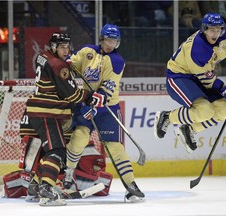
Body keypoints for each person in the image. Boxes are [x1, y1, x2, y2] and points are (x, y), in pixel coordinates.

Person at [154, 13, 226, 153]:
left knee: (224, 107)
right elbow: (207, 80)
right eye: (212, 30)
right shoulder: (198, 49)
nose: (216, 33)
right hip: (179, 76)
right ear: (204, 29)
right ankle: (167, 117)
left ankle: (189, 129)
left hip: (200, 76)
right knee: (205, 110)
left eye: (218, 30)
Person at [19, 33, 106, 206]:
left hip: (36, 113)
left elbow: (58, 82)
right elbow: (72, 94)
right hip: (46, 113)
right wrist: (89, 96)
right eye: (62, 47)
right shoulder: (58, 64)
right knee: (57, 152)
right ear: (53, 47)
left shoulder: (43, 56)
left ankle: (34, 187)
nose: (66, 50)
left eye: (67, 46)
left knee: (51, 152)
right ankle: (46, 190)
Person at [63, 24, 145, 201]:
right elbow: (71, 64)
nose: (110, 44)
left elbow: (106, 88)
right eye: (108, 40)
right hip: (85, 103)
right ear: (101, 39)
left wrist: (93, 105)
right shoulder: (87, 51)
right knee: (79, 137)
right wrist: (66, 62)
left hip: (107, 108)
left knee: (115, 147)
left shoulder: (117, 61)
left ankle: (131, 185)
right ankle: (68, 175)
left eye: (114, 41)